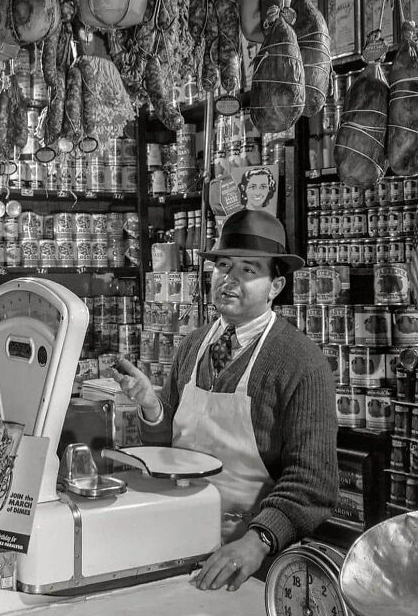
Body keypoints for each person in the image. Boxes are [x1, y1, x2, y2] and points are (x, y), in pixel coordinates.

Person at [111, 209, 338, 592]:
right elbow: (174, 444)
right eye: (223, 266)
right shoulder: (193, 345)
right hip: (177, 537)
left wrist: (258, 540)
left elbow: (313, 481)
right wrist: (152, 407)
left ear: (275, 286)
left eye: (248, 270)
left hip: (254, 561)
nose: (230, 279)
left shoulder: (301, 361)